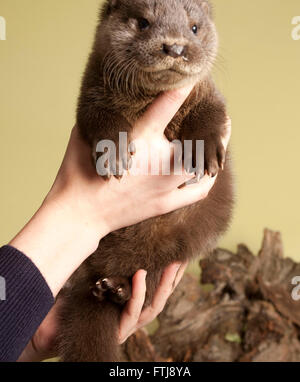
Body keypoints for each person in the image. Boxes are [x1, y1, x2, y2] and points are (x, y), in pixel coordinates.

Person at [0, 84, 231, 361]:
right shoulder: (111, 77)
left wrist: (33, 341)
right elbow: (95, 110)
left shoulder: (197, 90)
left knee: (130, 287)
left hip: (150, 255)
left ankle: (118, 290)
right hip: (97, 259)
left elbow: (209, 109)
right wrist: (85, 212)